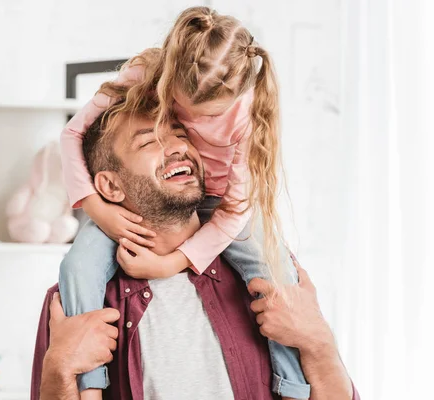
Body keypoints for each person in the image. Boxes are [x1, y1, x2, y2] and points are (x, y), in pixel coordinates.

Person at [31, 92, 359, 399]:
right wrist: (60, 369)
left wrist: (317, 340)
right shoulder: (77, 303)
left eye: (180, 133)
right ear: (111, 186)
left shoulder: (267, 276)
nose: (176, 147)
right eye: (149, 141)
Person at [59, 6, 307, 399]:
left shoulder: (245, 117)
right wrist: (96, 208)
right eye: (178, 112)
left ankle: (293, 384)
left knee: (276, 272)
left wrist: (171, 262)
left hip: (225, 206)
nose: (182, 138)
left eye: (202, 118)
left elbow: (233, 212)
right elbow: (73, 132)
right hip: (121, 208)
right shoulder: (147, 73)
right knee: (77, 265)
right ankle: (89, 384)